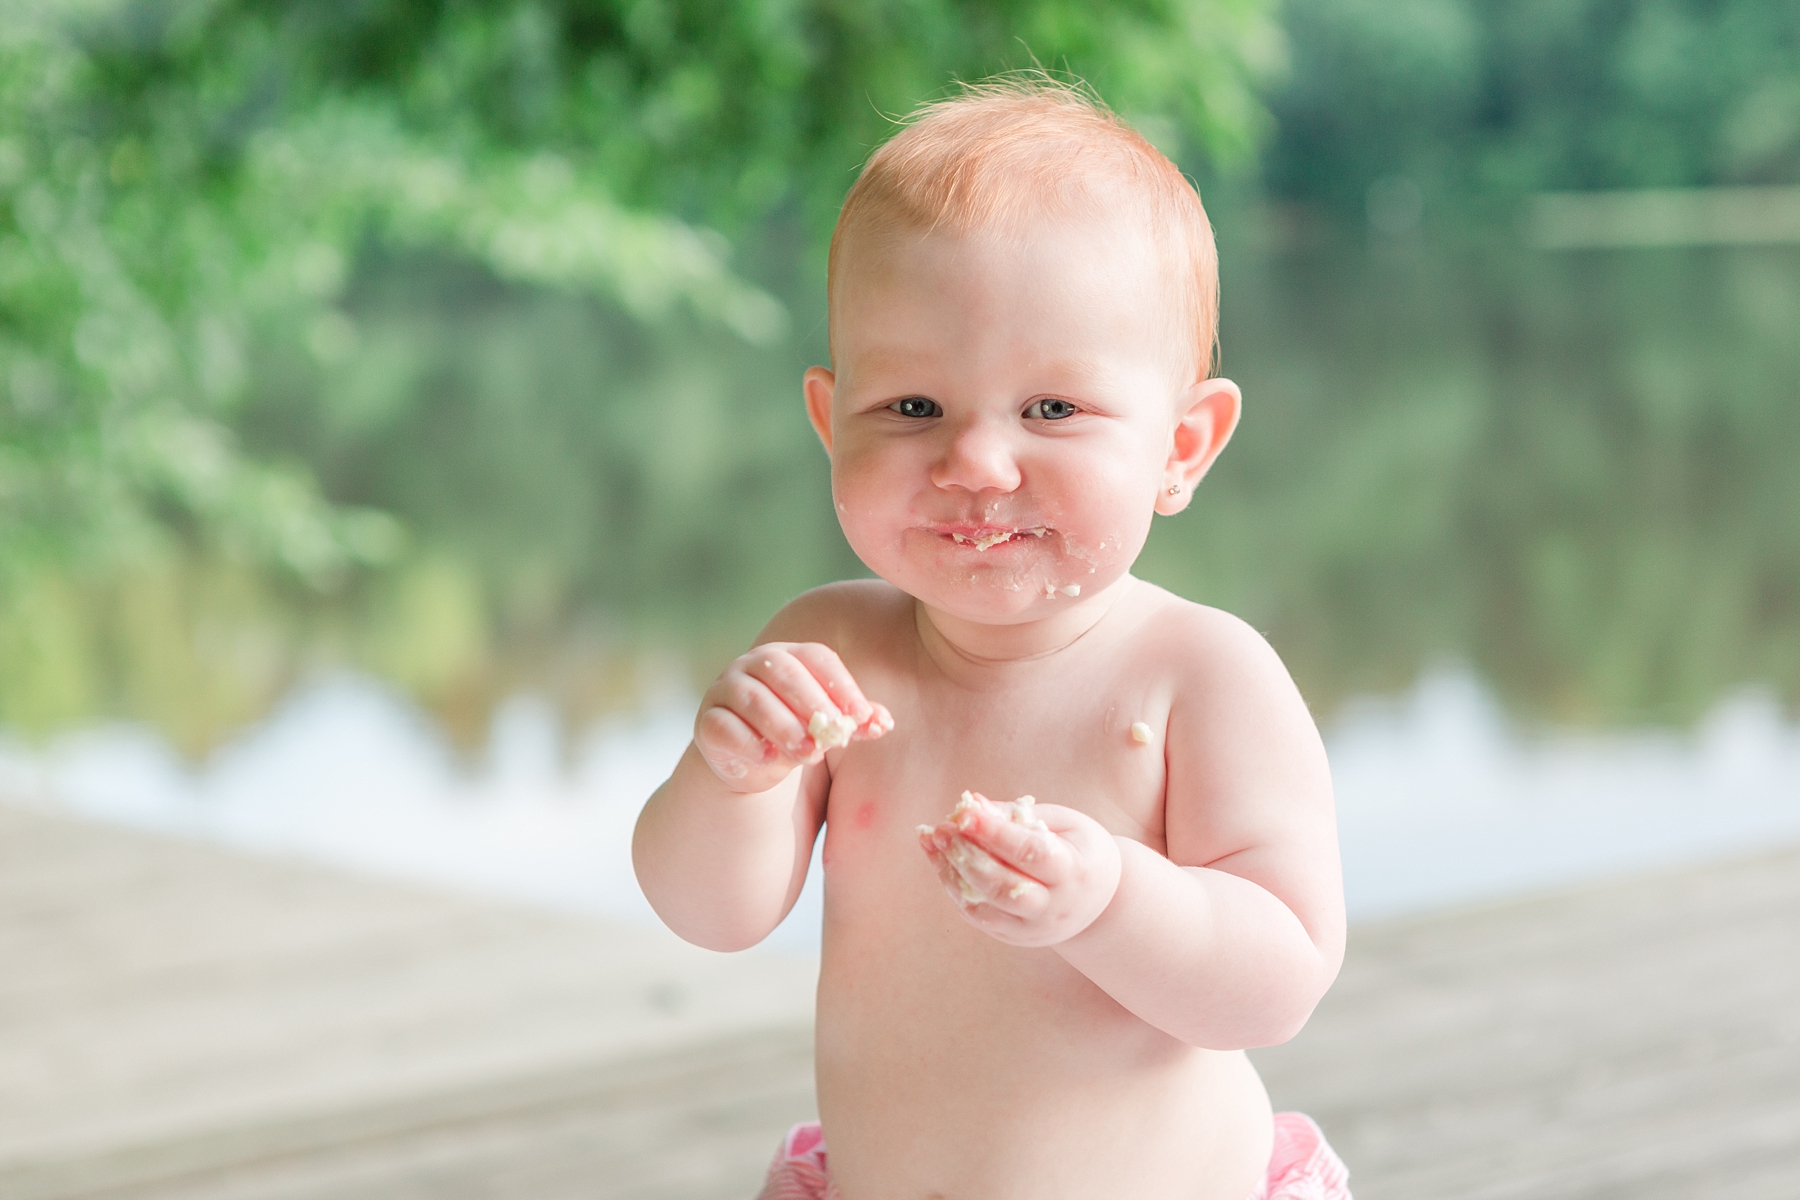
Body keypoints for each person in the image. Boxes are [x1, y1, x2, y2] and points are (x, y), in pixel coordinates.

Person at [633, 76, 1350, 1200]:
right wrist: (726, 780)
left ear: (1183, 444)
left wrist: (1111, 899)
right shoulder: (832, 652)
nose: (975, 462)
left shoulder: (1199, 677)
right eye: (912, 408)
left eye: (1053, 410)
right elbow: (711, 916)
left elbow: (1278, 981)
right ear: (831, 421)